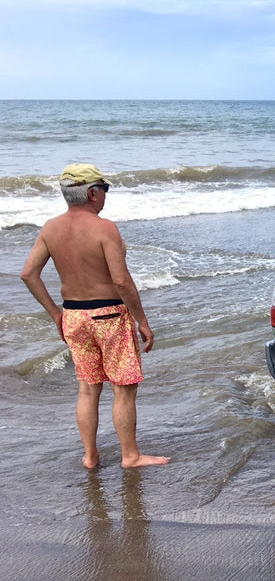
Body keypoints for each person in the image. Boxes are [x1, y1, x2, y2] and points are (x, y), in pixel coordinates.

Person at [20, 164, 169, 470]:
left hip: (74, 315)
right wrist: (143, 321)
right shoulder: (105, 228)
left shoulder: (50, 228)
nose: (105, 196)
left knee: (88, 389)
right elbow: (122, 281)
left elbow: (28, 274)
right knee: (123, 389)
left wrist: (56, 314)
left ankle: (90, 456)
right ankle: (130, 456)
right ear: (91, 193)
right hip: (109, 316)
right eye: (104, 189)